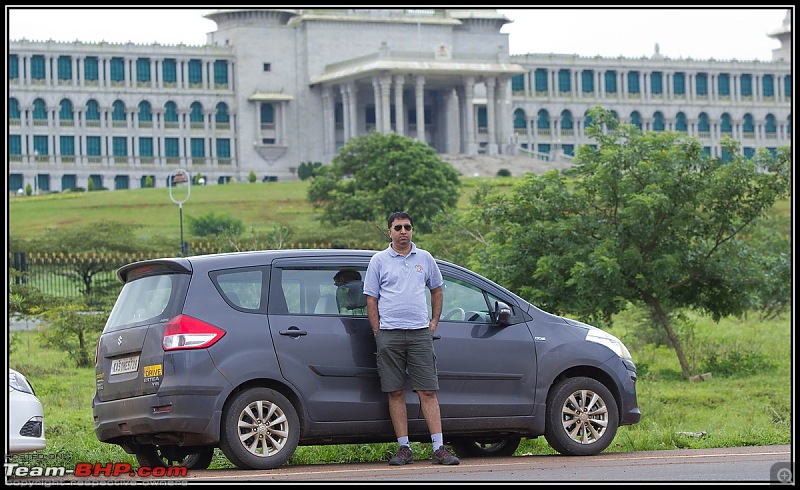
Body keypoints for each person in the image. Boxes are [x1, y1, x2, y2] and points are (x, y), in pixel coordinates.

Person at [362, 211, 460, 466]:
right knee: (395, 392)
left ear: (412, 230)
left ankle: (439, 447)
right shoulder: (379, 260)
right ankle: (404, 448)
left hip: (419, 334)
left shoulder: (425, 258)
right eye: (398, 227)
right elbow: (370, 298)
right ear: (390, 231)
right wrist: (377, 331)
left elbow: (436, 289)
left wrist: (434, 322)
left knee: (427, 390)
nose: (403, 231)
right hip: (389, 335)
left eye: (407, 227)